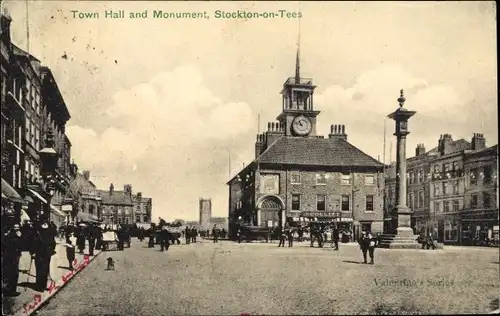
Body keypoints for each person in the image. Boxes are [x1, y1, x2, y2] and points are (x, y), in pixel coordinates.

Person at [2, 224, 23, 297]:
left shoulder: (17, 234)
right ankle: (10, 291)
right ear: (13, 228)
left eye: (18, 227)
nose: (17, 229)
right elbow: (9, 244)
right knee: (13, 273)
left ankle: (12, 290)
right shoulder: (11, 235)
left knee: (14, 273)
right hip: (11, 256)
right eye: (15, 227)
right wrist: (18, 237)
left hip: (15, 255)